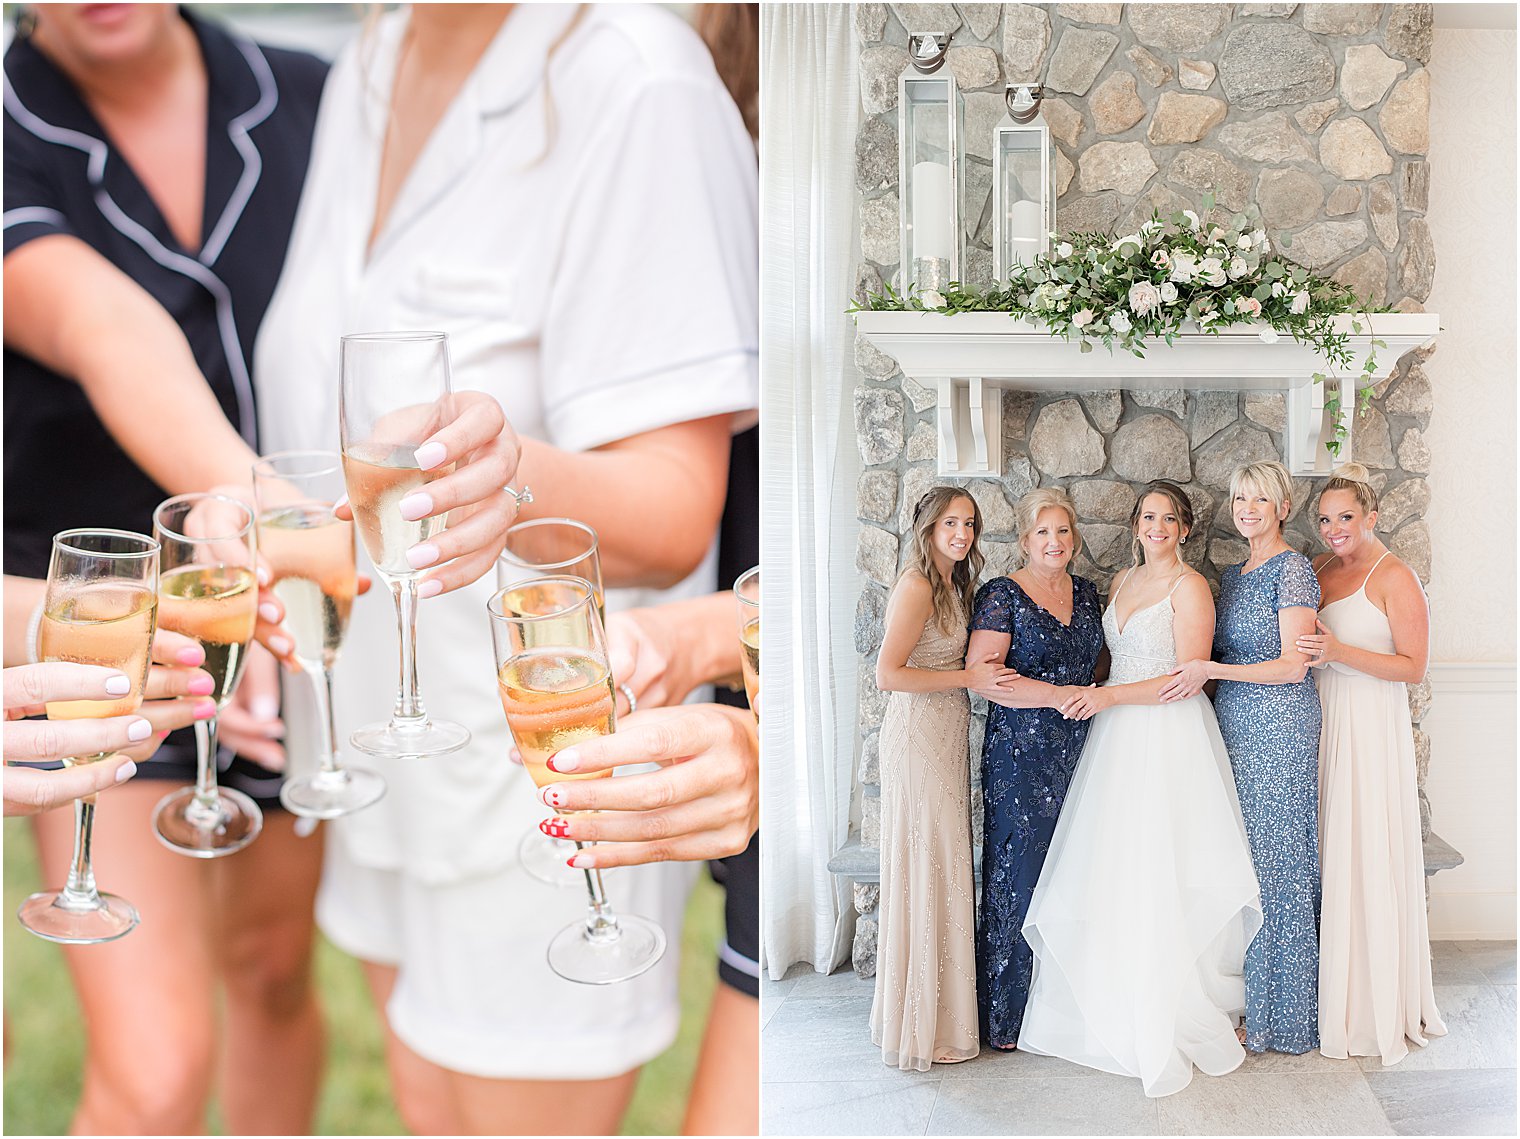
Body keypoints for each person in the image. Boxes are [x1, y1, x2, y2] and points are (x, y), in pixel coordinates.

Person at [3, 7, 518, 1131]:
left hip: (287, 624)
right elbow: (100, 321)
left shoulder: (319, 94)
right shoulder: (10, 126)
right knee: (156, 1068)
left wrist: (292, 560)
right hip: (112, 630)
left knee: (273, 962)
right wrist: (255, 512)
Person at [250, 5, 757, 1132]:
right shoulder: (373, 58)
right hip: (368, 737)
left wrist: (510, 473)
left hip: (538, 760)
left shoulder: (635, 82)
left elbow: (680, 513)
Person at [1019, 482, 1262, 1098]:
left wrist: (1105, 698)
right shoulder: (1124, 583)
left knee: (1166, 868)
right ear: (1135, 524)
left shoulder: (1191, 587)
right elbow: (1112, 659)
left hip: (1168, 736)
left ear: (1184, 529)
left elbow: (1185, 678)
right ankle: (1116, 997)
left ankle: (1178, 1004)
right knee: (1117, 867)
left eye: (1169, 518)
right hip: (1117, 739)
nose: (1157, 525)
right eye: (1148, 516)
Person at [1162, 460, 1322, 1055]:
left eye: (1259, 499)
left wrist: (1210, 671)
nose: (1247, 508)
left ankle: (1282, 1018)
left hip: (1279, 726)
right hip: (1234, 725)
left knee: (1279, 865)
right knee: (1246, 866)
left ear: (1282, 506)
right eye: (1238, 499)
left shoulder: (1295, 570)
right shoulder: (1234, 574)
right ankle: (1248, 1000)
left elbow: (1290, 666)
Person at [1299, 464, 1445, 1065]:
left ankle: (1372, 1000)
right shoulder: (1318, 572)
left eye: (1346, 517)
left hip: (1370, 725)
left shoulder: (1395, 577)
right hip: (1322, 718)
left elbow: (1412, 667)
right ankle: (1325, 990)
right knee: (1327, 850)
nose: (1335, 528)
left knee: (1365, 849)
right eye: (1326, 518)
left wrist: (1337, 651)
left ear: (1373, 516)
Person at [964, 487, 1103, 1051]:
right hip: (1021, 753)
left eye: (1063, 531)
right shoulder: (1002, 595)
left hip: (1083, 746)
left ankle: (1065, 1006)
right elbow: (983, 673)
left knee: (1077, 872)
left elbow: (1101, 661)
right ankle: (1009, 1015)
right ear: (1025, 539)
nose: (1055, 542)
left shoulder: (1089, 594)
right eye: (1043, 532)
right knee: (1020, 874)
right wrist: (1056, 694)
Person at [871, 487, 1003, 1071]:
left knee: (946, 863)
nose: (962, 533)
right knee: (927, 865)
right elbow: (888, 675)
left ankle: (945, 1017)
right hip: (917, 735)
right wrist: (967, 678)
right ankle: (922, 1026)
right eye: (952, 522)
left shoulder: (955, 584)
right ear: (928, 526)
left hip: (946, 734)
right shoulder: (918, 585)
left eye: (970, 524)